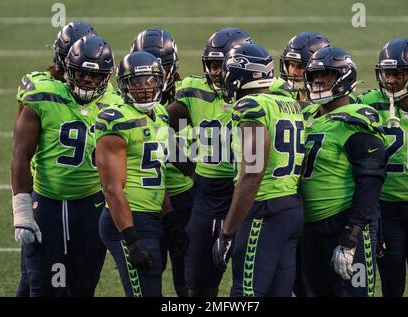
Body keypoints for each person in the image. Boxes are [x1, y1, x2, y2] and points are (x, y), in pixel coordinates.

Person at [11, 35, 120, 296]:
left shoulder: (115, 103)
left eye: (96, 76)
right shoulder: (43, 96)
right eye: (82, 75)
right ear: (68, 71)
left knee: (83, 287)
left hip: (91, 204)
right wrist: (22, 211)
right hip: (48, 203)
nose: (89, 81)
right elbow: (20, 155)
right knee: (42, 286)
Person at [212, 43, 305, 297]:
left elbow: (252, 175)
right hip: (291, 208)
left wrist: (228, 232)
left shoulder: (251, 107)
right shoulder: (290, 105)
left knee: (246, 294)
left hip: (264, 210)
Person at [167, 27, 252, 297]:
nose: (215, 72)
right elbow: (161, 127)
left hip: (251, 193)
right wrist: (189, 165)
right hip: (208, 196)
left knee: (250, 283)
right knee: (199, 284)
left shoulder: (261, 93)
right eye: (212, 64)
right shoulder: (192, 91)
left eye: (222, 65)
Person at [95, 51, 187, 297]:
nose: (145, 88)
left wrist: (169, 217)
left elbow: (158, 171)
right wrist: (131, 237)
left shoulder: (160, 114)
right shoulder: (116, 120)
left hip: (152, 216)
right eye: (136, 82)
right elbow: (112, 188)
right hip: (129, 218)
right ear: (124, 85)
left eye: (151, 81)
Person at [300, 46, 387, 297]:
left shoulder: (355, 118)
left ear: (344, 78)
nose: (318, 83)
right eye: (315, 77)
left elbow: (370, 183)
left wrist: (351, 237)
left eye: (326, 77)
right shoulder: (306, 114)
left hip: (344, 223)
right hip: (310, 228)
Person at [357, 38, 408, 297]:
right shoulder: (368, 102)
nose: (390, 80)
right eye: (387, 73)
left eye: (398, 73)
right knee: (391, 283)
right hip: (385, 208)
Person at [130, 28, 194, 297]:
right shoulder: (124, 102)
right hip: (144, 200)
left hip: (185, 196)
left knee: (187, 278)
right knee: (148, 277)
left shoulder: (191, 94)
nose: (154, 75)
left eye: (162, 67)